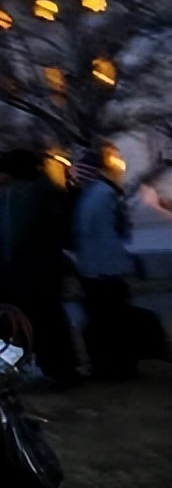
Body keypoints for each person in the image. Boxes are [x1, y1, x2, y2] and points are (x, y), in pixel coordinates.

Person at [73, 147, 172, 380]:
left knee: (106, 322)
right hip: (104, 271)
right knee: (115, 322)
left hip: (95, 271)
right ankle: (120, 366)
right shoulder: (103, 194)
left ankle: (111, 366)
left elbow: (95, 236)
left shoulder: (90, 196)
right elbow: (111, 235)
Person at [0, 149, 78, 382]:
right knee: (29, 323)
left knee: (46, 323)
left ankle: (59, 370)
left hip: (35, 277)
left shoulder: (36, 195)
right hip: (13, 277)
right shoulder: (2, 196)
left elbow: (37, 240)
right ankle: (40, 367)